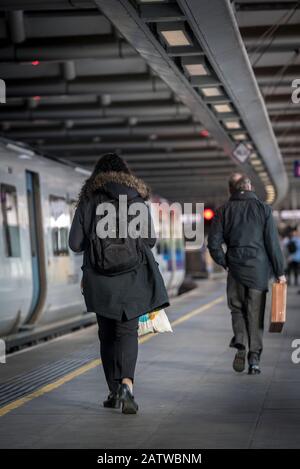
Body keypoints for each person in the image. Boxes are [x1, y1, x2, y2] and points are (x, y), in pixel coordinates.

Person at [69, 153, 169, 414]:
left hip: (99, 280)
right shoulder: (136, 200)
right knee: (127, 332)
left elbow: (75, 244)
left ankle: (113, 391)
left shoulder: (89, 200)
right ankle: (127, 386)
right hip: (132, 277)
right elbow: (150, 241)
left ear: (97, 175)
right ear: (126, 174)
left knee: (106, 334)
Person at [207, 174, 286, 375]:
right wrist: (279, 271)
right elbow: (272, 244)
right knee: (255, 314)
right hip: (258, 271)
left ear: (230, 190)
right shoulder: (263, 209)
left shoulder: (223, 211)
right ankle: (254, 359)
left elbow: (213, 244)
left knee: (237, 309)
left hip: (235, 268)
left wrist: (225, 263)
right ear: (250, 188)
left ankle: (240, 342)